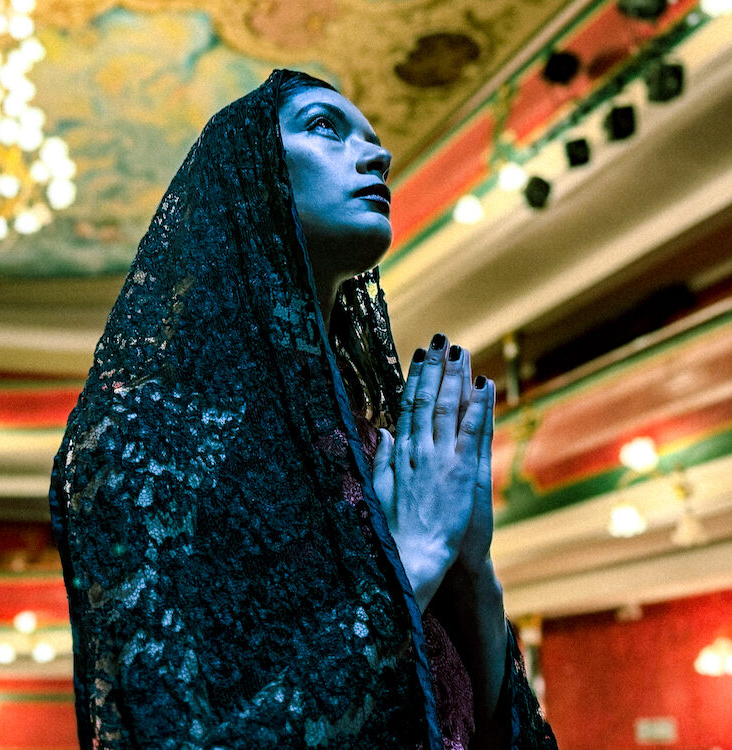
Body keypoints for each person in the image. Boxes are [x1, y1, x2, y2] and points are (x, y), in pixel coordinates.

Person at [49, 69, 557, 749]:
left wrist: (472, 573)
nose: (379, 155)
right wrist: (416, 558)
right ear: (251, 176)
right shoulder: (147, 439)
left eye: (374, 139)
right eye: (324, 126)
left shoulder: (382, 453)